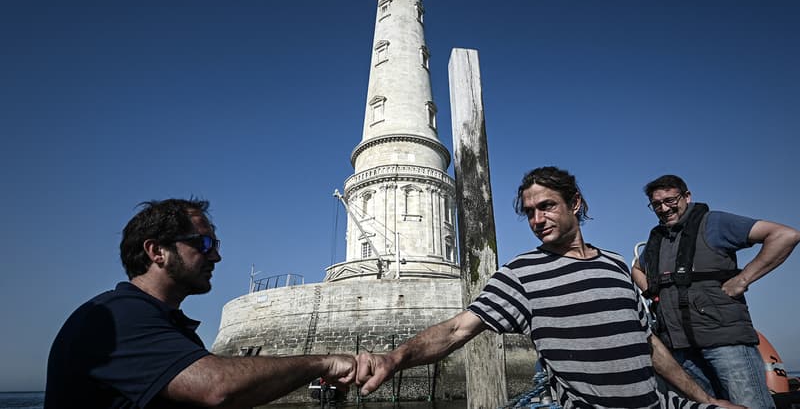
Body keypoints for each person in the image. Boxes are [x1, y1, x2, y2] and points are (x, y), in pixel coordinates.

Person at [355, 167, 743, 409]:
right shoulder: (521, 273)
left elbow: (648, 343)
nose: (537, 220)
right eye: (529, 212)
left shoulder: (615, 266)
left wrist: (706, 400)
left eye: (547, 207)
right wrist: (394, 359)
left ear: (575, 203)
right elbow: (458, 329)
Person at [45, 198, 356, 408]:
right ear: (157, 252)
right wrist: (322, 363)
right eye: (204, 244)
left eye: (215, 245)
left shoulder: (169, 327)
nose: (216, 256)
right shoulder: (115, 318)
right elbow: (216, 387)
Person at [632, 174, 800, 408]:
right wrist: (653, 294)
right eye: (657, 204)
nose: (664, 208)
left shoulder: (714, 223)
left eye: (670, 200)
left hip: (726, 343)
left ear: (687, 197)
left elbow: (785, 235)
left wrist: (743, 279)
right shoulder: (657, 239)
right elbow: (637, 269)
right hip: (681, 350)